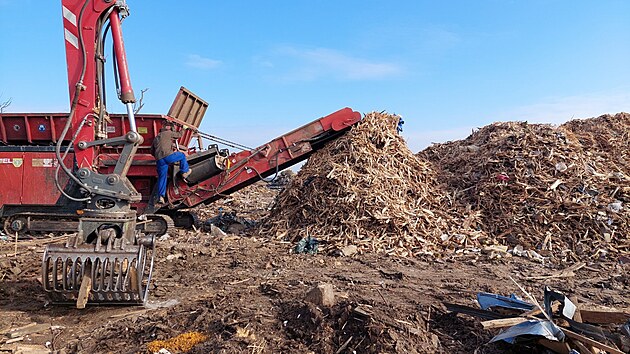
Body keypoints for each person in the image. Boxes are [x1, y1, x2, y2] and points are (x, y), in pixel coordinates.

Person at [151, 121, 191, 204]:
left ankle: (161, 196)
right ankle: (184, 172)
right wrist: (183, 129)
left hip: (159, 160)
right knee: (182, 155)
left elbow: (152, 151)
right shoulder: (168, 133)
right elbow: (178, 135)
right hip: (168, 157)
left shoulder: (156, 138)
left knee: (162, 178)